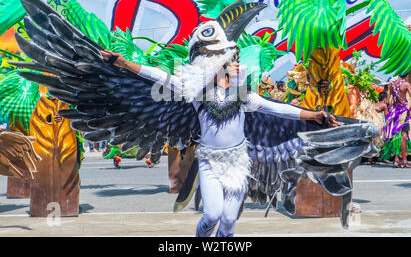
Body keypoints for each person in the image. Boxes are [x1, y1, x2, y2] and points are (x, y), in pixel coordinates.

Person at [100, 48, 340, 237]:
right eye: (231, 62)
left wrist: (314, 115)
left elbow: (279, 109)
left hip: (237, 164)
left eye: (236, 61)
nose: (237, 65)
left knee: (228, 221)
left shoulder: (244, 96)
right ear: (217, 68)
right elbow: (163, 78)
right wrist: (125, 64)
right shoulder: (196, 93)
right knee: (212, 215)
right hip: (209, 162)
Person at [384, 73, 411, 168]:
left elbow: (387, 101)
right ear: (406, 75)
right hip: (403, 112)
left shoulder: (391, 85)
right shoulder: (406, 84)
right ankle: (404, 161)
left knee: (396, 136)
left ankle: (396, 159)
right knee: (403, 136)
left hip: (394, 112)